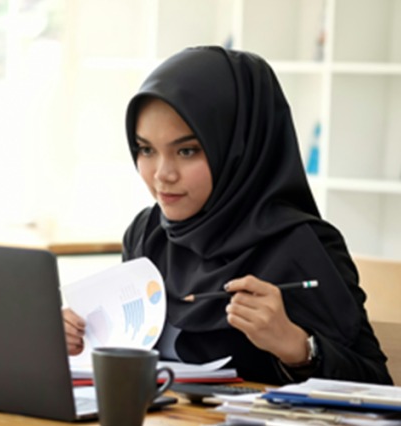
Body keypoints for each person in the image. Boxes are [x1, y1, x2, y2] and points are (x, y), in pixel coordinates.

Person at [63, 46, 392, 385]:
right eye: (146, 149)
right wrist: (80, 341)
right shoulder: (148, 234)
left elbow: (376, 385)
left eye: (187, 151)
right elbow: (131, 355)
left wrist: (297, 347)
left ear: (240, 149)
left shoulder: (303, 246)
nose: (162, 174)